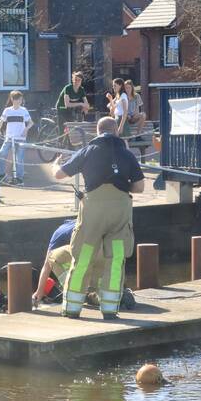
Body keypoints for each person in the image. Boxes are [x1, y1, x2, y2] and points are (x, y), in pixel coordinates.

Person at [51, 116, 145, 319]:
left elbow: (59, 175)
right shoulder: (127, 154)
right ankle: (110, 309)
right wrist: (120, 187)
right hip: (120, 209)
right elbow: (140, 187)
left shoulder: (88, 151)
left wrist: (54, 165)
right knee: (116, 257)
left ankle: (72, 309)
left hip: (93, 208)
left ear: (97, 131)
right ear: (116, 132)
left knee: (84, 254)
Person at [0, 90, 33, 186]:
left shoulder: (24, 110)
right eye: (17, 99)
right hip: (9, 138)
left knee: (19, 159)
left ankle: (19, 179)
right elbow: (0, 122)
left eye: (20, 99)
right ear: (12, 99)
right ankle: (2, 175)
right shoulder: (7, 110)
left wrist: (26, 129)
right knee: (1, 154)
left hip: (20, 139)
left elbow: (31, 122)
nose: (19, 101)